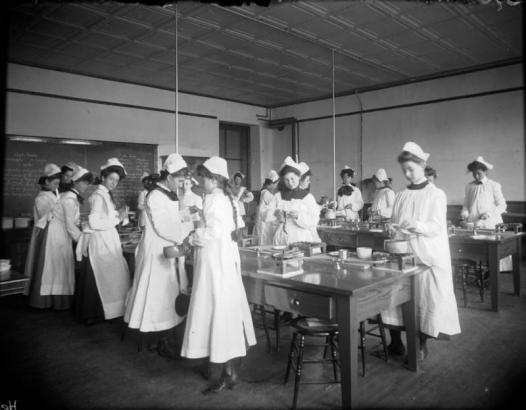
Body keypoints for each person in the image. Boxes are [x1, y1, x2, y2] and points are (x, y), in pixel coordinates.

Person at [181, 156, 256, 394]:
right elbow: (235, 228)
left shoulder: (213, 200)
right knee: (217, 312)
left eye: (202, 177)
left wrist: (191, 237)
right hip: (224, 262)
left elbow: (213, 232)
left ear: (213, 180)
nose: (200, 181)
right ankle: (210, 360)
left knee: (215, 312)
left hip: (215, 264)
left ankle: (228, 372)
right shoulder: (227, 199)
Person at [382, 141, 460, 361]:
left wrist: (414, 225)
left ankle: (420, 346)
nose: (407, 174)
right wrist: (392, 226)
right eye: (404, 170)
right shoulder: (401, 194)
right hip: (401, 254)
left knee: (422, 300)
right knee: (394, 299)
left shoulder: (435, 194)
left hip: (425, 255)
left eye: (411, 169)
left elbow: (436, 227)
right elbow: (396, 221)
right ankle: (395, 343)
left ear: (423, 166)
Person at [124, 154, 194, 360]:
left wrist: (185, 216)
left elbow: (170, 218)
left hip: (166, 249)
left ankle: (161, 337)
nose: (181, 186)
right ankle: (160, 340)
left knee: (166, 293)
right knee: (158, 294)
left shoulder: (167, 194)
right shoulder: (155, 196)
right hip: (157, 251)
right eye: (180, 181)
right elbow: (164, 228)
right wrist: (188, 227)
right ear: (170, 177)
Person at [74, 159, 131, 326]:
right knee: (100, 276)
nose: (114, 183)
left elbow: (106, 217)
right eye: (111, 179)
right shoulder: (99, 196)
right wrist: (117, 219)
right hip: (100, 240)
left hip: (107, 237)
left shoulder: (105, 194)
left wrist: (118, 215)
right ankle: (93, 312)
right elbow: (95, 223)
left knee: (109, 276)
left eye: (116, 180)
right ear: (104, 177)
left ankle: (106, 311)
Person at [27, 165, 93, 309]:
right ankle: (52, 302)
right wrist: (84, 240)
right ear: (76, 182)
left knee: (59, 266)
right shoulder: (68, 199)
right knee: (56, 266)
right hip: (55, 234)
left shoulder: (68, 196)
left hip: (59, 231)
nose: (87, 186)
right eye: (85, 183)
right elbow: (70, 225)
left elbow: (71, 221)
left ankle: (57, 301)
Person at [24, 164, 61, 294]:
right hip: (44, 233)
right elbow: (45, 218)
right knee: (44, 265)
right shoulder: (41, 198)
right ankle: (40, 294)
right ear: (46, 181)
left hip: (53, 233)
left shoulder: (51, 195)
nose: (57, 187)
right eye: (55, 184)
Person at [271, 157, 321, 245]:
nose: (290, 183)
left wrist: (299, 216)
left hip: (300, 237)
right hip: (281, 236)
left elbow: (314, 220)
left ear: (299, 177)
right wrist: (275, 213)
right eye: (286, 180)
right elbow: (265, 215)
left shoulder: (307, 197)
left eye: (292, 179)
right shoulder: (277, 196)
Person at [460, 157, 506, 229]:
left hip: (490, 223)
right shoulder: (470, 186)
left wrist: (488, 214)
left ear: (486, 172)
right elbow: (466, 204)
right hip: (473, 223)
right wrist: (464, 213)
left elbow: (502, 205)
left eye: (479, 173)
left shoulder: (494, 185)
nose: (476, 176)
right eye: (474, 174)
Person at [253, 170, 279, 245]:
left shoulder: (263, 191)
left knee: (262, 241)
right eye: (276, 184)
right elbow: (275, 207)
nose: (276, 186)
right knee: (265, 242)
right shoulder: (267, 194)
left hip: (261, 222)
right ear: (271, 184)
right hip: (264, 223)